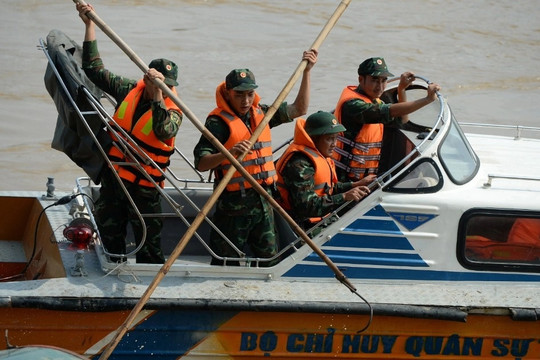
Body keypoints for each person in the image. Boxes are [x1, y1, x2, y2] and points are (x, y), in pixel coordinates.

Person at [76, 3, 183, 263]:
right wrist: (89, 25)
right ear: (145, 78)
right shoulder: (129, 90)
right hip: (115, 180)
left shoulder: (175, 110)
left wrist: (159, 96)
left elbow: (162, 129)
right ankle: (114, 271)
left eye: (168, 86)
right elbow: (94, 70)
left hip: (145, 190)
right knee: (110, 235)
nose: (163, 89)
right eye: (157, 83)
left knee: (150, 246)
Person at [193, 49, 318, 266]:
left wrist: (307, 72)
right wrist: (228, 154)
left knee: (269, 260)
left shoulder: (262, 115)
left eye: (249, 94)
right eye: (239, 95)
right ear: (228, 93)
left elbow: (299, 109)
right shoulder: (217, 123)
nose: (245, 100)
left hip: (264, 202)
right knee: (225, 262)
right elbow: (201, 163)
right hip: (233, 209)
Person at [333, 57, 441, 182]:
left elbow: (403, 120)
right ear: (361, 80)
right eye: (374, 80)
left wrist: (401, 89)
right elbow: (390, 110)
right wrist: (427, 100)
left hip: (365, 178)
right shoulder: (354, 105)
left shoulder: (374, 100)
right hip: (344, 180)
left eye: (383, 81)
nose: (380, 86)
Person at [276, 111, 370, 231]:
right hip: (303, 226)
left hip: (320, 219)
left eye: (336, 138)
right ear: (314, 139)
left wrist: (353, 185)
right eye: (329, 139)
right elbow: (307, 207)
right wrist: (344, 196)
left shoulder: (318, 154)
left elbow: (325, 187)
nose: (334, 144)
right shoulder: (300, 164)